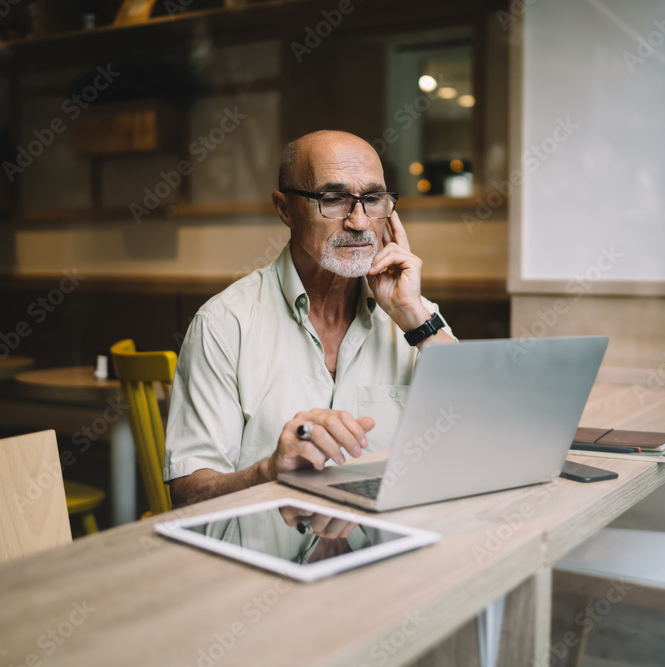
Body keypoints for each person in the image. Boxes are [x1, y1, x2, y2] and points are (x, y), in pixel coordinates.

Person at [165, 130, 455, 507]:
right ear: (285, 209)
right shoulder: (224, 324)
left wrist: (415, 318)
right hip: (266, 561)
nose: (360, 222)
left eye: (372, 199)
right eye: (333, 199)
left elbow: (484, 439)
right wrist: (270, 472)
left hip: (388, 553)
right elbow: (188, 495)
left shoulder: (418, 317)